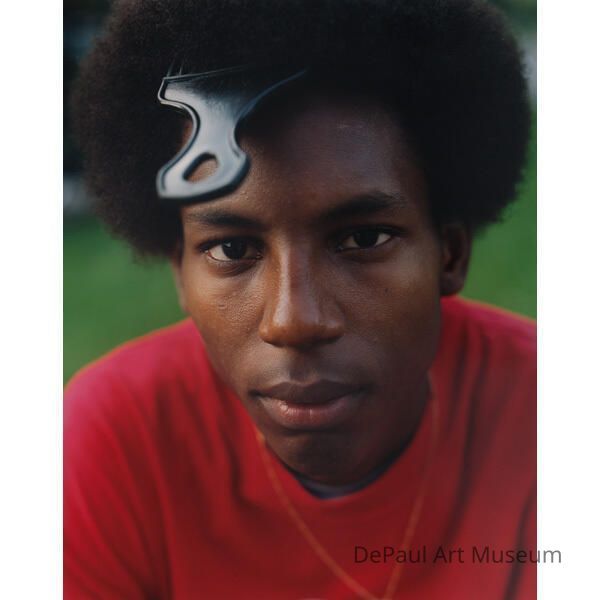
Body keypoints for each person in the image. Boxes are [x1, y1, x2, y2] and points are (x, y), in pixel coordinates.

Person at [64, 0, 536, 598]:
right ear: (179, 269)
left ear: (450, 252)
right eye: (233, 248)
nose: (294, 321)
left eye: (363, 239)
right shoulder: (115, 441)